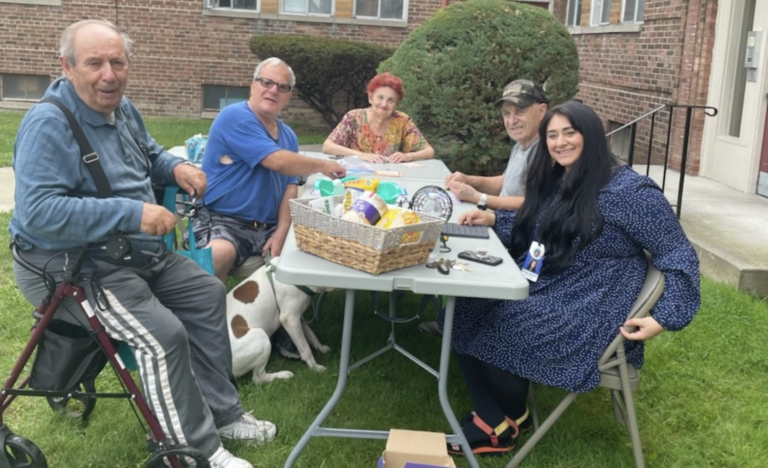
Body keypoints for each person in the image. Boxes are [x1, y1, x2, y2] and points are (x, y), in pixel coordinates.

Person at [10, 20, 270, 468]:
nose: (108, 74)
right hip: (71, 265)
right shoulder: (49, 124)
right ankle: (195, 452)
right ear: (67, 67)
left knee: (208, 291)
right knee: (161, 335)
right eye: (95, 63)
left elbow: (150, 156)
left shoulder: (123, 108)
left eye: (117, 62)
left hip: (134, 254)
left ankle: (224, 414)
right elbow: (39, 213)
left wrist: (176, 169)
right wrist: (132, 213)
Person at [443, 100, 700, 456]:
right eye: (552, 135)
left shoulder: (630, 193)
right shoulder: (564, 179)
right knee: (463, 304)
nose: (560, 142)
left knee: (505, 322)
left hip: (591, 304)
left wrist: (663, 317)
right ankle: (503, 416)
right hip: (552, 282)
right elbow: (541, 230)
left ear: (591, 135)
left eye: (569, 132)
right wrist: (494, 221)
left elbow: (678, 254)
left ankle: (496, 427)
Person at [193, 57, 346, 283]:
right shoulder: (235, 116)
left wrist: (281, 232)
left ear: (288, 96)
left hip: (270, 225)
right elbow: (277, 161)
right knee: (218, 255)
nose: (273, 90)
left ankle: (288, 315)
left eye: (282, 87)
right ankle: (201, 315)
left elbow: (290, 187)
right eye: (266, 82)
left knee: (324, 247)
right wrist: (323, 165)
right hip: (223, 219)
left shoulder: (288, 136)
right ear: (253, 85)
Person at [419, 79, 548, 338]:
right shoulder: (521, 145)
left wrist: (480, 198)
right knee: (450, 239)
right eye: (506, 113)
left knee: (459, 252)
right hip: (501, 221)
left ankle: (468, 331)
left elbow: (535, 201)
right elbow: (506, 182)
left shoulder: (545, 150)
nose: (512, 120)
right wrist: (471, 180)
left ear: (541, 111)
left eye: (520, 111)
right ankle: (455, 325)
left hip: (525, 237)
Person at [322, 72, 435, 163]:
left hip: (389, 180)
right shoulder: (353, 117)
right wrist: (361, 155)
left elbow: (429, 152)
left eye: (391, 100)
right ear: (370, 98)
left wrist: (407, 156)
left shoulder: (402, 121)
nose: (384, 104)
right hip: (356, 178)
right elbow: (328, 146)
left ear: (397, 103)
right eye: (380, 97)